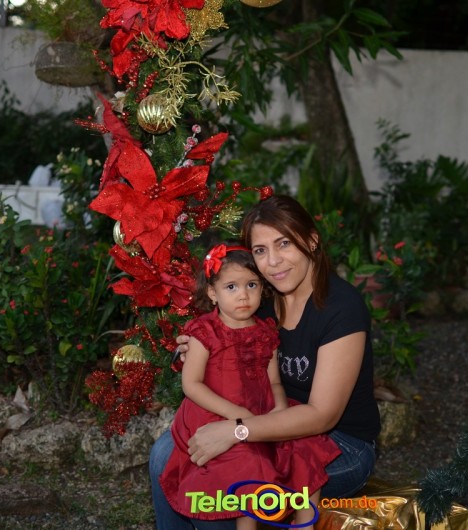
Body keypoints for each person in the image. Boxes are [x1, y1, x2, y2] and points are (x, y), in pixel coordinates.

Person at [150, 195, 381, 530]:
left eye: (284, 243)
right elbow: (219, 339)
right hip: (264, 414)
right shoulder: (261, 299)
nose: (273, 261)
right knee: (163, 455)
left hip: (338, 442)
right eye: (260, 250)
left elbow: (322, 415)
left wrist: (237, 430)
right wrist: (192, 351)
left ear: (312, 240)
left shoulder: (341, 309)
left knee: (224, 485)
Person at [159, 242, 340, 529]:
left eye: (252, 285)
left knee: (303, 448)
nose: (243, 295)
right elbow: (191, 385)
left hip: (260, 411)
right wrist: (238, 415)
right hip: (215, 412)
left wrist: (280, 408)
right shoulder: (205, 331)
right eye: (231, 287)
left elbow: (274, 381)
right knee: (250, 464)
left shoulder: (265, 331)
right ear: (212, 293)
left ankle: (305, 525)